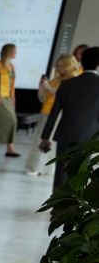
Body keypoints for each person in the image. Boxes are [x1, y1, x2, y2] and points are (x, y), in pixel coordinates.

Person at [42, 45, 99, 190]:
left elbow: (54, 113)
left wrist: (45, 137)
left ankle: (57, 201)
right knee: (80, 173)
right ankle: (74, 202)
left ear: (82, 62)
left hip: (65, 134)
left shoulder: (67, 84)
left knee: (61, 172)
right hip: (89, 136)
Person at [29, 53, 82, 177]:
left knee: (50, 142)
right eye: (57, 66)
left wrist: (48, 88)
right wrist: (42, 87)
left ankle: (42, 168)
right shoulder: (56, 79)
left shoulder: (74, 80)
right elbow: (42, 98)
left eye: (61, 66)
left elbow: (65, 96)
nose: (58, 69)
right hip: (46, 112)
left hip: (59, 114)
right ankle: (36, 167)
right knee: (40, 139)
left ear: (68, 66)